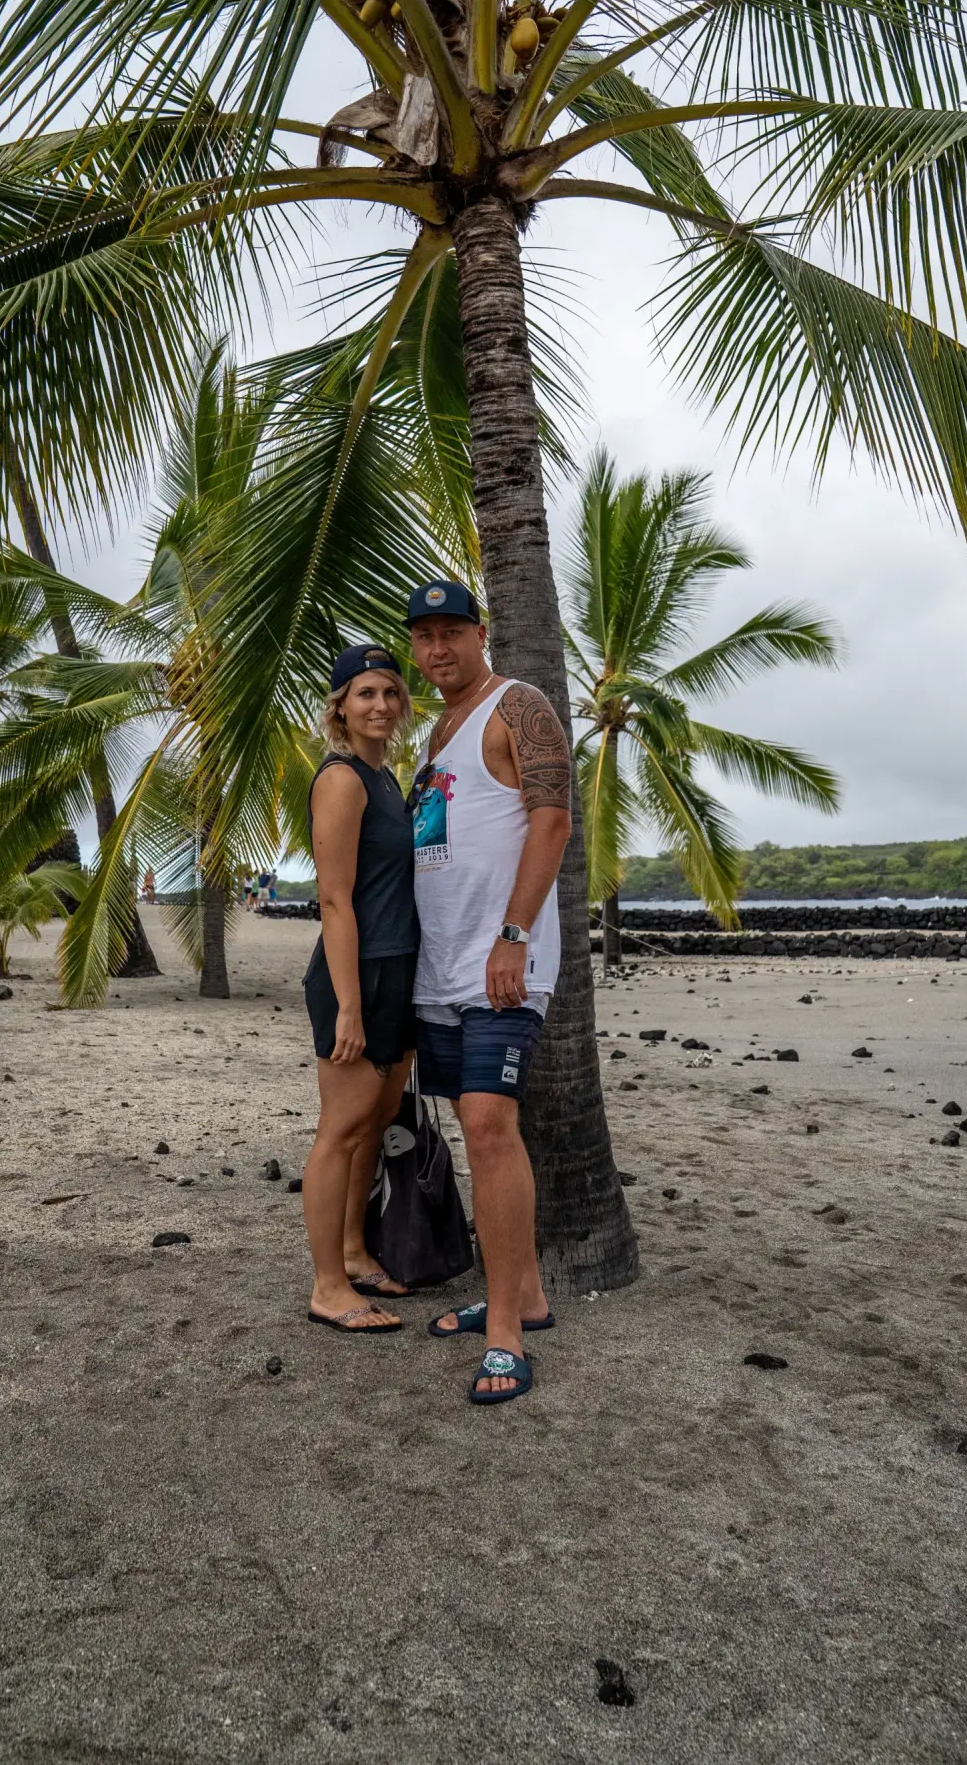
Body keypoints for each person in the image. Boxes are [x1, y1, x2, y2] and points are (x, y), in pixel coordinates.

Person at [405, 579, 572, 1405]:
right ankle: (524, 1295)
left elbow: (552, 819)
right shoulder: (432, 732)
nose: (438, 649)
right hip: (440, 971)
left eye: (451, 632)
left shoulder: (517, 705)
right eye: (423, 636)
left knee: (487, 1126)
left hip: (499, 963)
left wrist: (513, 934)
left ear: (480, 634)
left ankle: (505, 1333)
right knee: (479, 1134)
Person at [302, 644, 420, 1334]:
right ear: (340, 706)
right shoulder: (342, 779)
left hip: (398, 967)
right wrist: (349, 1005)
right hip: (359, 973)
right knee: (341, 1131)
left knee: (374, 1124)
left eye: (390, 693)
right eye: (365, 693)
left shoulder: (386, 780)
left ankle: (352, 1250)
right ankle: (327, 1287)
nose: (380, 705)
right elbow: (334, 899)